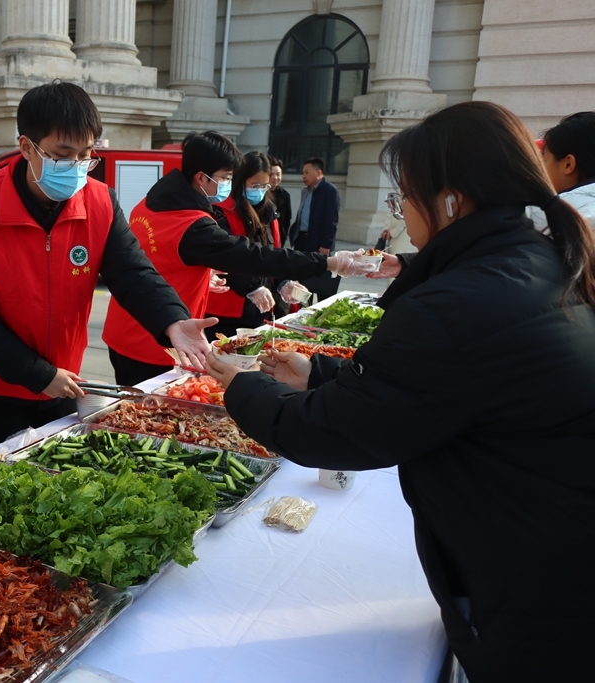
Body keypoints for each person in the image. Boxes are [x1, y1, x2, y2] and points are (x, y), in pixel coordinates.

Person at [207, 101, 595, 681]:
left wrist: (240, 385)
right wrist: (320, 374)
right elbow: (449, 384)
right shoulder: (538, 259)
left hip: (537, 585)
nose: (403, 211)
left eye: (404, 196)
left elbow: (331, 433)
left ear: (450, 201)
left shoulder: (459, 302)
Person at [0, 82, 214, 450]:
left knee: (57, 474)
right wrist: (38, 374)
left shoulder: (99, 202)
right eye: (64, 154)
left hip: (64, 376)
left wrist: (173, 321)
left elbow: (132, 272)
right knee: (0, 479)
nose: (77, 168)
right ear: (26, 148)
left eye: (87, 155)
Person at [102, 132, 370, 387]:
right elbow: (254, 257)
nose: (228, 185)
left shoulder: (150, 202)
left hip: (127, 328)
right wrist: (328, 263)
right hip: (156, 342)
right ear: (201, 177)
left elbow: (155, 257)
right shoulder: (192, 224)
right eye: (226, 177)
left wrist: (198, 276)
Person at [373, 111, 595, 281]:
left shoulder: (550, 219)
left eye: (407, 195)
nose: (538, 172)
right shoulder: (542, 222)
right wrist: (408, 263)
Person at [205, 151, 300, 338]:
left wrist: (283, 281)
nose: (260, 191)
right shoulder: (221, 211)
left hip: (262, 304)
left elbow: (274, 252)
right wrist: (252, 288)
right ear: (240, 181)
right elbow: (225, 257)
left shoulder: (269, 211)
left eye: (264, 186)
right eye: (254, 185)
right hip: (229, 306)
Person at [289, 157, 342, 300]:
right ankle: (301, 307)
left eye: (307, 172)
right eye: (302, 173)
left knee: (318, 279)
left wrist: (326, 245)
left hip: (318, 242)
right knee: (302, 280)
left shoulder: (329, 191)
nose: (303, 176)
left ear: (318, 172)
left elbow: (332, 220)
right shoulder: (306, 191)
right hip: (302, 240)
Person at [269, 157, 292, 238]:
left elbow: (287, 219)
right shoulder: (260, 193)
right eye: (272, 174)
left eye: (278, 174)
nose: (275, 177)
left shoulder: (285, 195)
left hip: (278, 237)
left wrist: (283, 236)